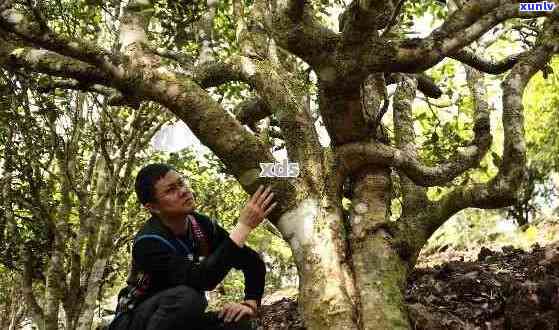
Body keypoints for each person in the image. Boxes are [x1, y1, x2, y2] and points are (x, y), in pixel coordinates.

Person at [109, 163, 276, 330]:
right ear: (152, 207)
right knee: (189, 297)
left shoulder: (202, 226)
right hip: (138, 320)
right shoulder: (148, 243)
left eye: (181, 183)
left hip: (180, 320)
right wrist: (243, 226)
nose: (183, 191)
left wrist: (250, 305)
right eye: (170, 190)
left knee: (240, 323)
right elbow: (203, 280)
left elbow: (252, 262)